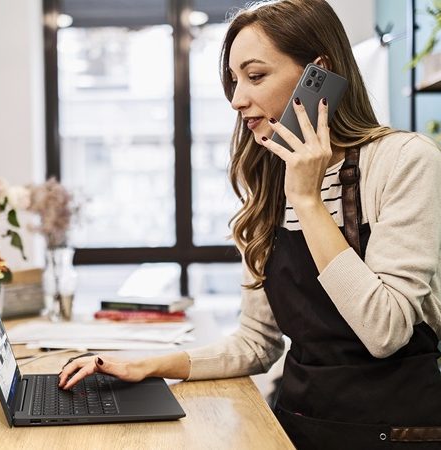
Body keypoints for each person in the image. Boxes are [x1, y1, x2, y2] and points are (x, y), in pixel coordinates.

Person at [58, 0, 441, 448]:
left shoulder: (404, 161)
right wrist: (149, 364)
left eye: (255, 76)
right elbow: (257, 343)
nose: (237, 99)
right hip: (297, 426)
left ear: (317, 73)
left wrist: (307, 198)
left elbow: (385, 332)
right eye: (234, 80)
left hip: (397, 434)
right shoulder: (269, 179)